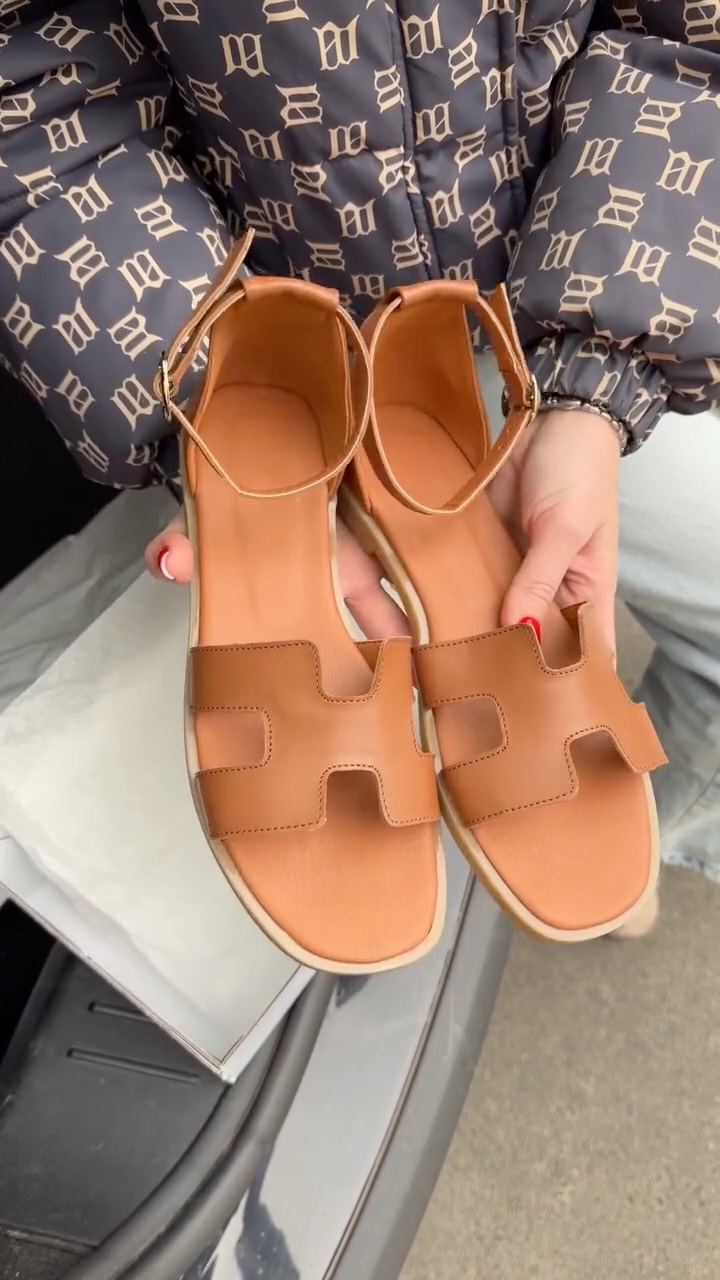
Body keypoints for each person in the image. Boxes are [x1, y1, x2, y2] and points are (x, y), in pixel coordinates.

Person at [2, 1, 719, 931]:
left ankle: (667, 820)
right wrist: (202, 384)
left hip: (563, 291)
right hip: (230, 316)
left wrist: (598, 385)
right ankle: (277, 401)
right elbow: (26, 96)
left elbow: (690, 40)